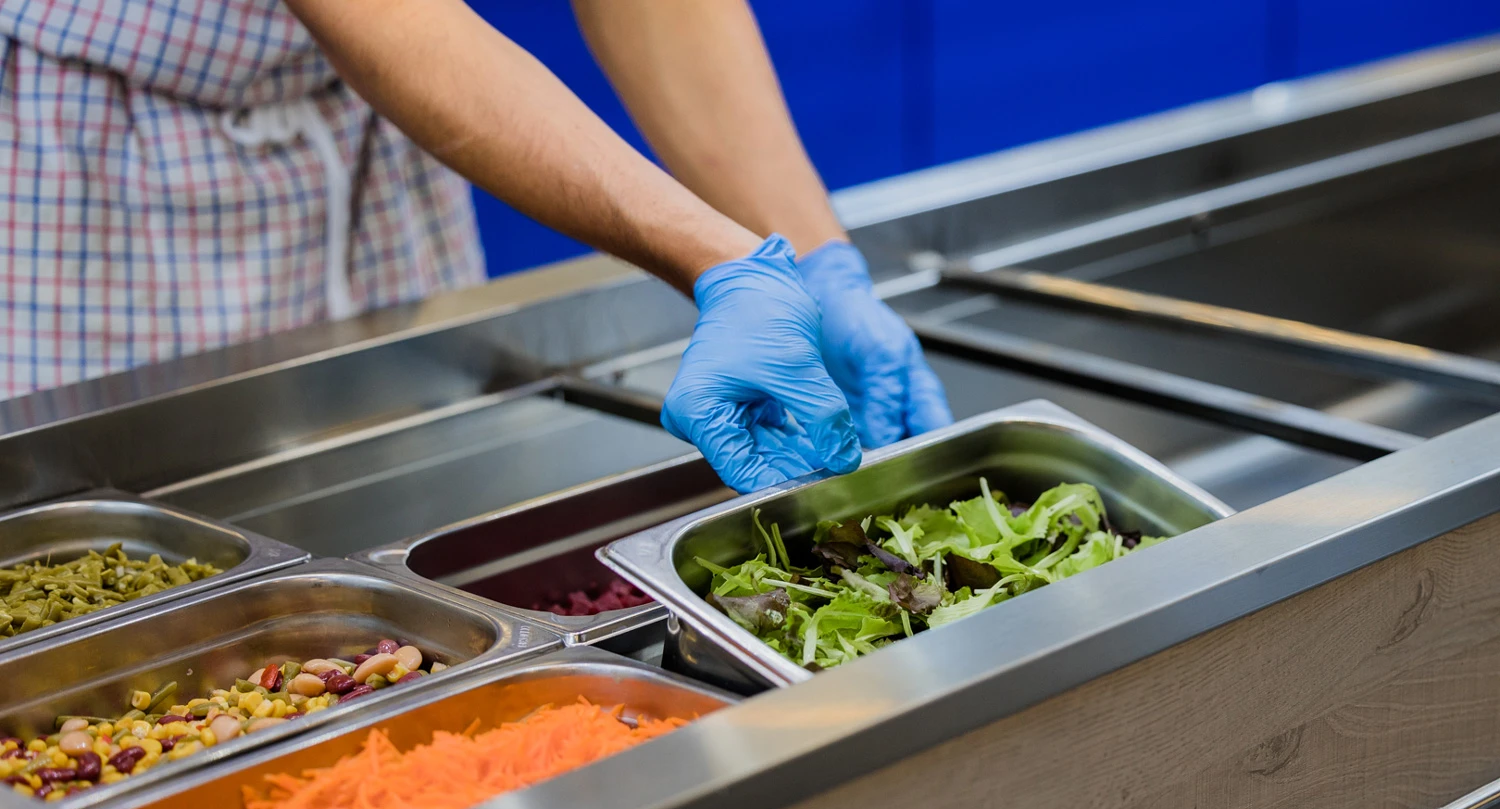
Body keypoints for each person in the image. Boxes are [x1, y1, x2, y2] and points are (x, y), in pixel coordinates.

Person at [0, 0, 951, 492]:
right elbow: (388, 16)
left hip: (380, 139)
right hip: (108, 165)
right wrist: (718, 258)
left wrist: (818, 259)